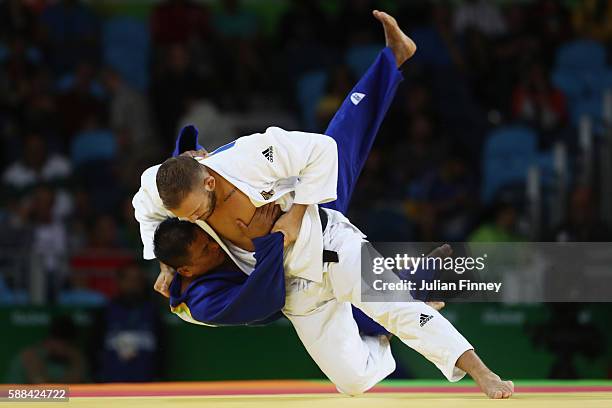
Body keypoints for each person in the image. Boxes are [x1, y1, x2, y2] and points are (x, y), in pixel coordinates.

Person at [133, 10, 513, 399]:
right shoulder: (159, 186)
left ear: (209, 177)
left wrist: (296, 215)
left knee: (397, 307)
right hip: (296, 287)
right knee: (353, 382)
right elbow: (144, 213)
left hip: (328, 243)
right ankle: (396, 309)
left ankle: (481, 371)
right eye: (187, 217)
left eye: (198, 210)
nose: (196, 220)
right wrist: (164, 264)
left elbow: (324, 149)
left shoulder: (251, 155)